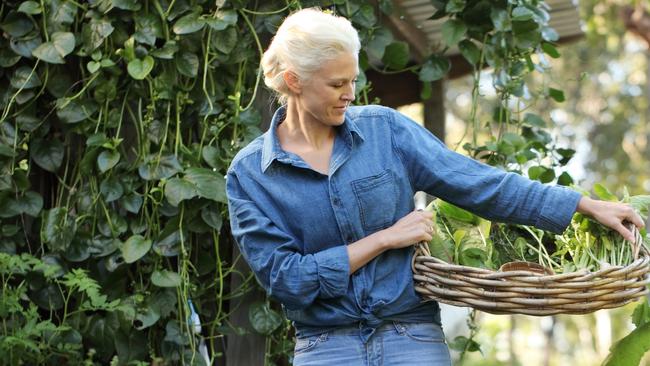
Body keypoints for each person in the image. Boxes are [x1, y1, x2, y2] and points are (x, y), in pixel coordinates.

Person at [225, 8, 645, 366]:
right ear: (294, 81)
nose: (350, 94)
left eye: (353, 81)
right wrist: (387, 238)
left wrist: (582, 205)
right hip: (325, 347)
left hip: (412, 337)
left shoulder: (386, 131)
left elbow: (480, 184)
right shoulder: (250, 176)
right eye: (337, 84)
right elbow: (287, 280)